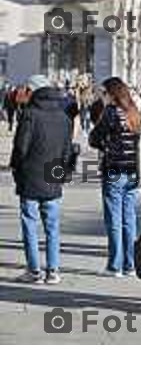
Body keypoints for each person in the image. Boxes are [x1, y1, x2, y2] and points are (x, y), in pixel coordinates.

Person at [9, 75, 71, 284]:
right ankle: (53, 270)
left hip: (31, 175)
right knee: (52, 225)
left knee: (30, 222)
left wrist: (16, 168)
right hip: (52, 174)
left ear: (34, 91)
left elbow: (20, 148)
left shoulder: (30, 114)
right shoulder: (63, 116)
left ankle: (34, 270)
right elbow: (67, 151)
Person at [89, 77, 141, 277]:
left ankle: (115, 265)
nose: (102, 96)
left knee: (114, 219)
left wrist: (105, 144)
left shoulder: (111, 113)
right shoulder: (134, 112)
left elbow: (94, 138)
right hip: (132, 171)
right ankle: (130, 264)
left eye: (104, 92)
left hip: (114, 169)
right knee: (129, 219)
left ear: (112, 93)